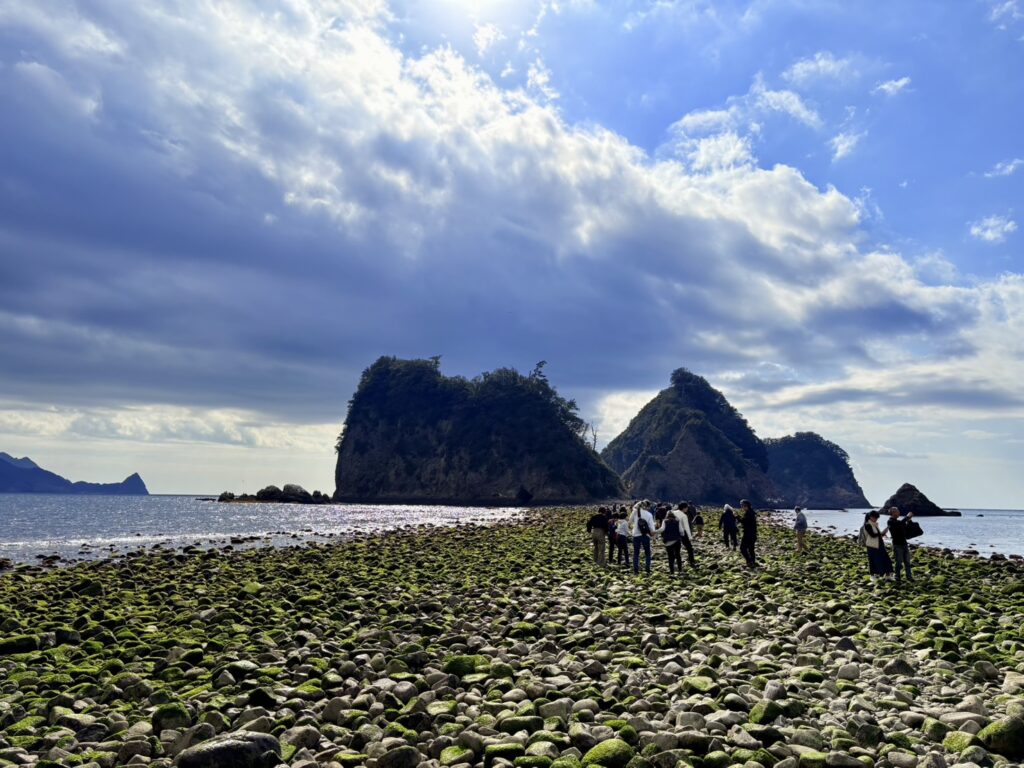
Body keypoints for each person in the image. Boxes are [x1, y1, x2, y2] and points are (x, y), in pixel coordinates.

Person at [861, 510, 893, 581]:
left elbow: (877, 535)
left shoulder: (875, 524)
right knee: (873, 561)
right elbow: (872, 535)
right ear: (871, 517)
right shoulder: (867, 525)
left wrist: (883, 533)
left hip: (879, 544)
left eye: (877, 518)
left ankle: (887, 575)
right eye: (875, 518)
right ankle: (873, 576)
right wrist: (882, 533)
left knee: (886, 559)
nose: (876, 519)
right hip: (872, 546)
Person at [886, 506, 914, 582]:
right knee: (898, 562)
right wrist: (907, 517)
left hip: (904, 544)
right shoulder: (890, 521)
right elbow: (899, 525)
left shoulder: (898, 521)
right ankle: (897, 576)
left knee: (907, 562)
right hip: (897, 545)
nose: (899, 512)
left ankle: (909, 577)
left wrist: (909, 520)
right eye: (897, 511)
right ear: (893, 512)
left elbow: (906, 527)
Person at [656, 505, 687, 575]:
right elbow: (681, 531)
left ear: (667, 515)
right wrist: (682, 535)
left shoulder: (665, 521)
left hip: (668, 541)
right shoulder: (677, 521)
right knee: (678, 555)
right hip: (677, 540)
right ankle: (680, 569)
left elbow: (662, 529)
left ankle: (672, 571)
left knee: (670, 557)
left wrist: (655, 531)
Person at [628, 500, 656, 575]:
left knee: (636, 553)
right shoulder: (649, 514)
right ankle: (647, 569)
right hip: (645, 535)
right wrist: (653, 536)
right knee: (647, 553)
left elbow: (629, 522)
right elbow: (651, 527)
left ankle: (635, 570)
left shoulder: (635, 512)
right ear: (648, 506)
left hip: (636, 535)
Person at [738, 499, 758, 568]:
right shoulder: (751, 512)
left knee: (742, 548)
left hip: (748, 535)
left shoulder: (749, 513)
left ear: (747, 506)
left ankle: (749, 561)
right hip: (753, 534)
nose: (742, 507)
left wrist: (737, 517)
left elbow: (745, 522)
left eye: (742, 506)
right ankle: (753, 563)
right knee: (751, 549)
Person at [680, 503, 698, 568]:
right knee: (690, 548)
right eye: (686, 508)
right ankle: (691, 562)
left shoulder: (676, 513)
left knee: (676, 549)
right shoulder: (687, 513)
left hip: (677, 534)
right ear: (684, 508)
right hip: (684, 533)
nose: (687, 508)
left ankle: (677, 566)